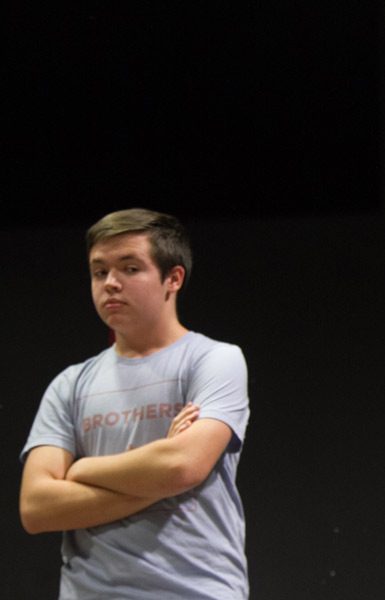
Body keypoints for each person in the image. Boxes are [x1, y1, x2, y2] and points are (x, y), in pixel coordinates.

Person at [19, 208, 250, 599]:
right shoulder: (70, 384)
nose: (110, 283)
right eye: (99, 271)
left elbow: (182, 466)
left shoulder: (214, 360)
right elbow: (37, 507)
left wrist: (82, 468)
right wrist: (157, 469)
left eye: (129, 268)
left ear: (173, 278)